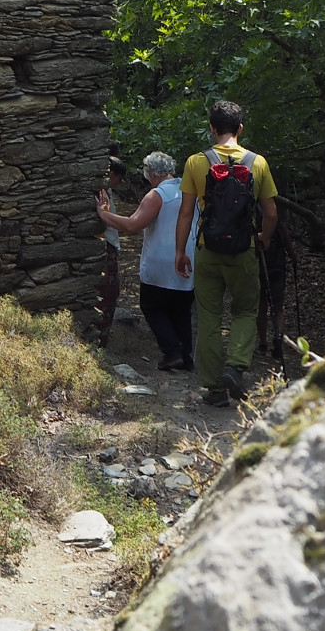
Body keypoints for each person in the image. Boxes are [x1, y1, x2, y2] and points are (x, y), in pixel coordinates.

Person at [174, 100, 278, 407]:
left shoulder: (196, 162)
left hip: (207, 249)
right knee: (246, 310)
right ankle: (235, 366)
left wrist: (180, 251)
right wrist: (264, 237)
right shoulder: (257, 163)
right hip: (243, 250)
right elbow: (271, 213)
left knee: (209, 317)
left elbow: (185, 212)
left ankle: (215, 389)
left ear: (212, 129)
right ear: (240, 129)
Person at [96, 151, 196, 371]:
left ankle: (172, 351)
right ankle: (185, 356)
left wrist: (105, 215)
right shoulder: (190, 191)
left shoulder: (157, 195)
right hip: (188, 258)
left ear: (151, 173)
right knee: (181, 309)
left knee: (151, 307)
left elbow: (132, 224)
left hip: (160, 262)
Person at [90, 156, 130, 346]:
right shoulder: (102, 195)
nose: (120, 183)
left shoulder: (107, 193)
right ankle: (100, 339)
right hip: (106, 247)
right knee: (108, 293)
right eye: (119, 178)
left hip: (108, 245)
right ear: (111, 174)